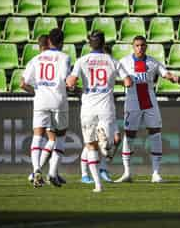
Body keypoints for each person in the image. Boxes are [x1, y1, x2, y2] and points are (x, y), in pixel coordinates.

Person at [66, 31, 132, 193]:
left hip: (88, 107)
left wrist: (72, 84)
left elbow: (71, 82)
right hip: (106, 107)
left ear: (90, 44)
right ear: (103, 44)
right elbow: (128, 82)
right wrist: (116, 81)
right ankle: (106, 143)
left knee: (90, 147)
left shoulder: (82, 61)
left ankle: (98, 185)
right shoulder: (112, 61)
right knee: (108, 141)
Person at [115, 36, 180, 183]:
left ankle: (156, 173)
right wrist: (122, 81)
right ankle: (127, 172)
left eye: (142, 45)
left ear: (146, 47)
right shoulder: (124, 62)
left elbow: (165, 73)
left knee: (155, 133)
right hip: (132, 102)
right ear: (133, 47)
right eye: (137, 45)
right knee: (129, 135)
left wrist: (173, 78)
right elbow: (115, 78)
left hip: (150, 101)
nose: (140, 48)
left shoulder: (153, 62)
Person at [21, 28, 70, 188]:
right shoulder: (64, 57)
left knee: (38, 136)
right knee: (60, 137)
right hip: (58, 100)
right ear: (62, 42)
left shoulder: (36, 59)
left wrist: (36, 92)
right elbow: (66, 80)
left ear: (49, 41)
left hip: (41, 101)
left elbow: (23, 83)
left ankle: (36, 170)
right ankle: (52, 174)